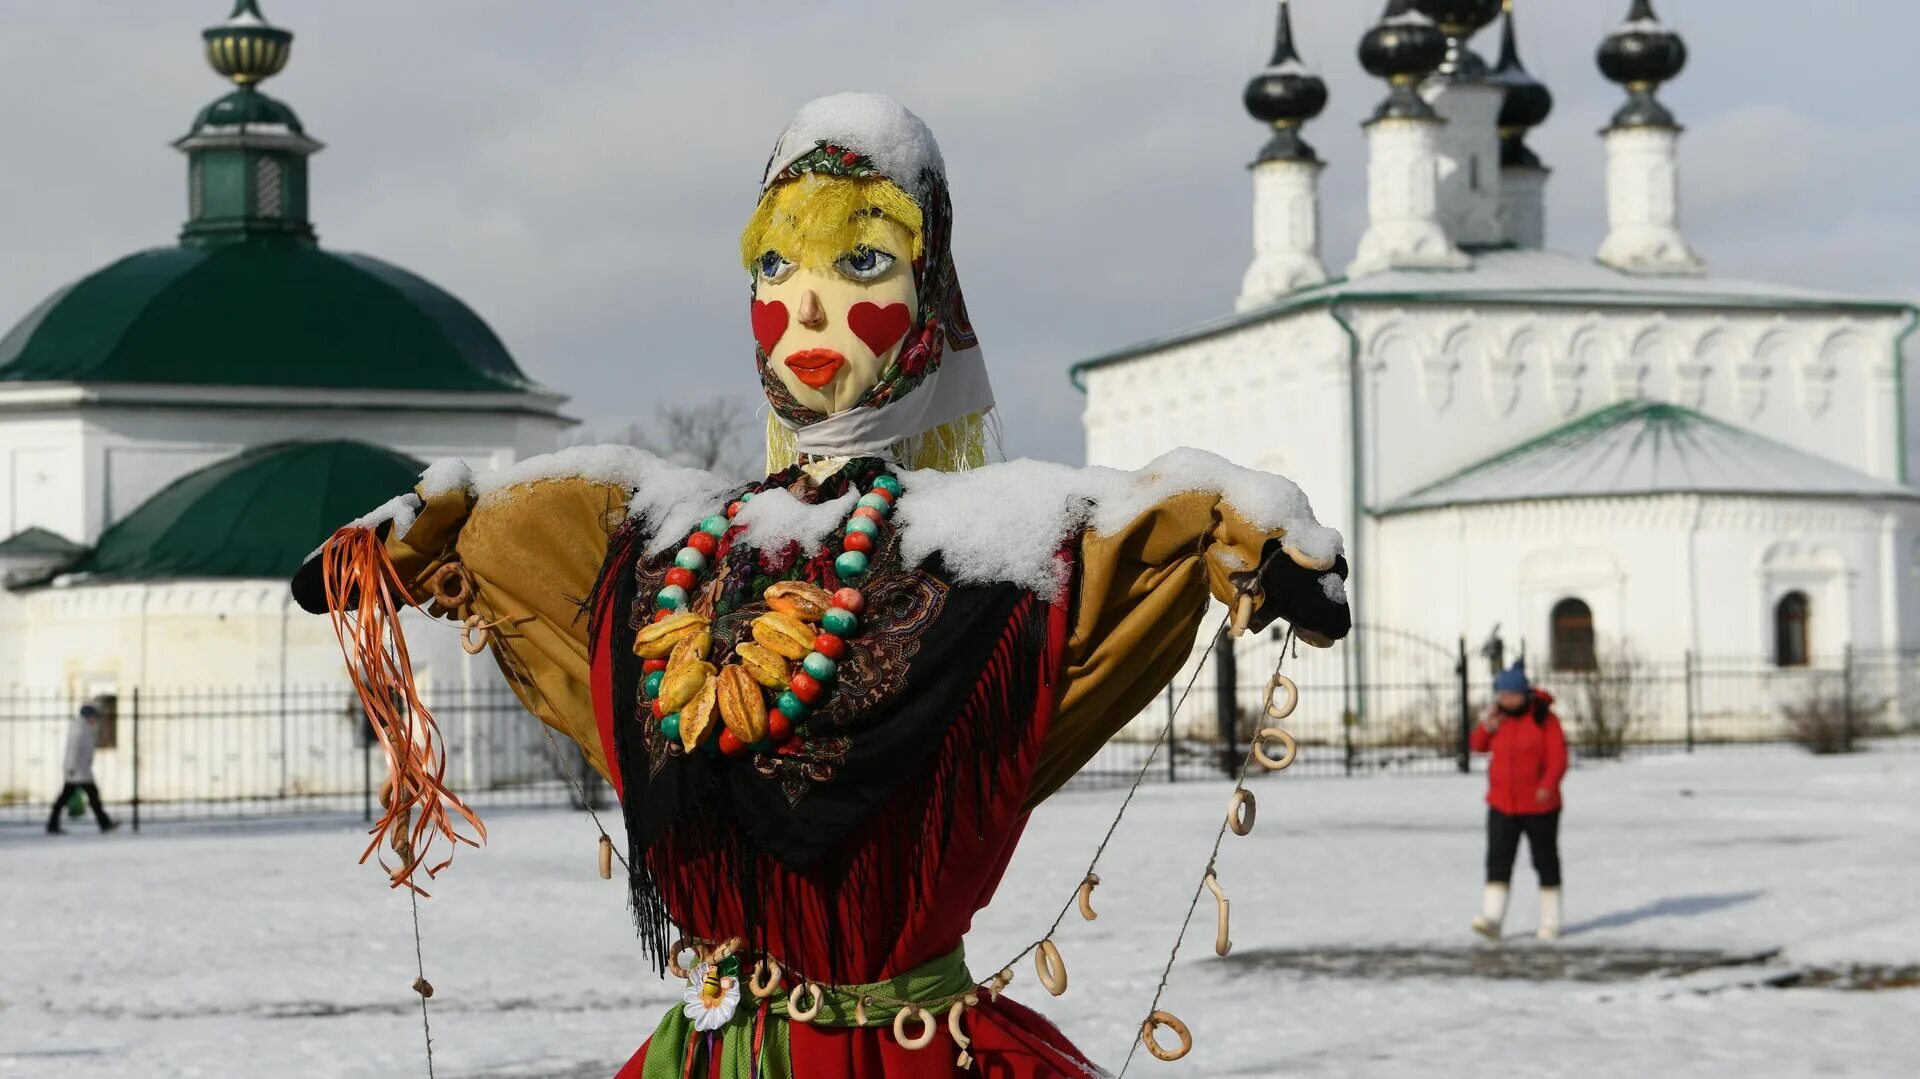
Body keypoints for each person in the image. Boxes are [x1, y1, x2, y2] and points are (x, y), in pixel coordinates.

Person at [295, 93, 1353, 1077]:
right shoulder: (669, 542)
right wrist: (431, 530)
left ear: (930, 294)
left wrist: (1238, 521)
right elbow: (531, 514)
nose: (808, 308)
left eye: (861, 262)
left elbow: (1154, 518)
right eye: (773, 266)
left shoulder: (998, 551)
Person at [1468, 660, 1566, 941]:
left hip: (1540, 805)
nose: (1505, 699)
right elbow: (1476, 746)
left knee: (1545, 861)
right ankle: (1492, 920)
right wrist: (1487, 727)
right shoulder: (1498, 718)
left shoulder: (1545, 720)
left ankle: (1551, 922)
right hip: (1502, 803)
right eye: (1501, 694)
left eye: (1510, 694)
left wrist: (1547, 785)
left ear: (1524, 694)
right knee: (1498, 860)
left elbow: (1558, 758)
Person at [47, 702, 117, 835]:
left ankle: (105, 823)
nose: (95, 719)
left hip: (81, 770)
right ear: (87, 716)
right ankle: (104, 823)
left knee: (87, 797)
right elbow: (73, 750)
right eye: (93, 717)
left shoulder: (84, 728)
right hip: (77, 771)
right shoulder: (79, 729)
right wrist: (72, 768)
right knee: (69, 798)